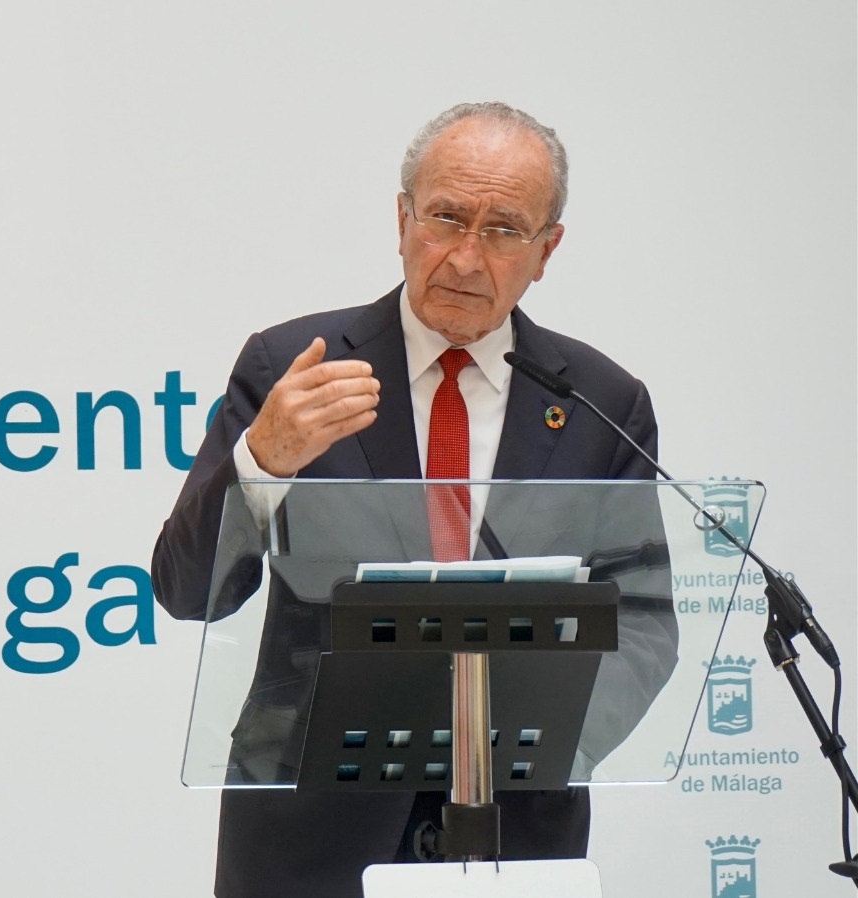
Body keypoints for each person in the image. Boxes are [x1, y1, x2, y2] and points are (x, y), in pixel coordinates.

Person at [151, 102, 677, 897]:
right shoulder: (294, 368)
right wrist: (261, 463)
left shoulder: (601, 403)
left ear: (546, 251)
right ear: (402, 220)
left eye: (503, 230)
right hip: (308, 841)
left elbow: (643, 623)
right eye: (446, 218)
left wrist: (538, 744)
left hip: (515, 835)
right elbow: (187, 589)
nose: (466, 256)